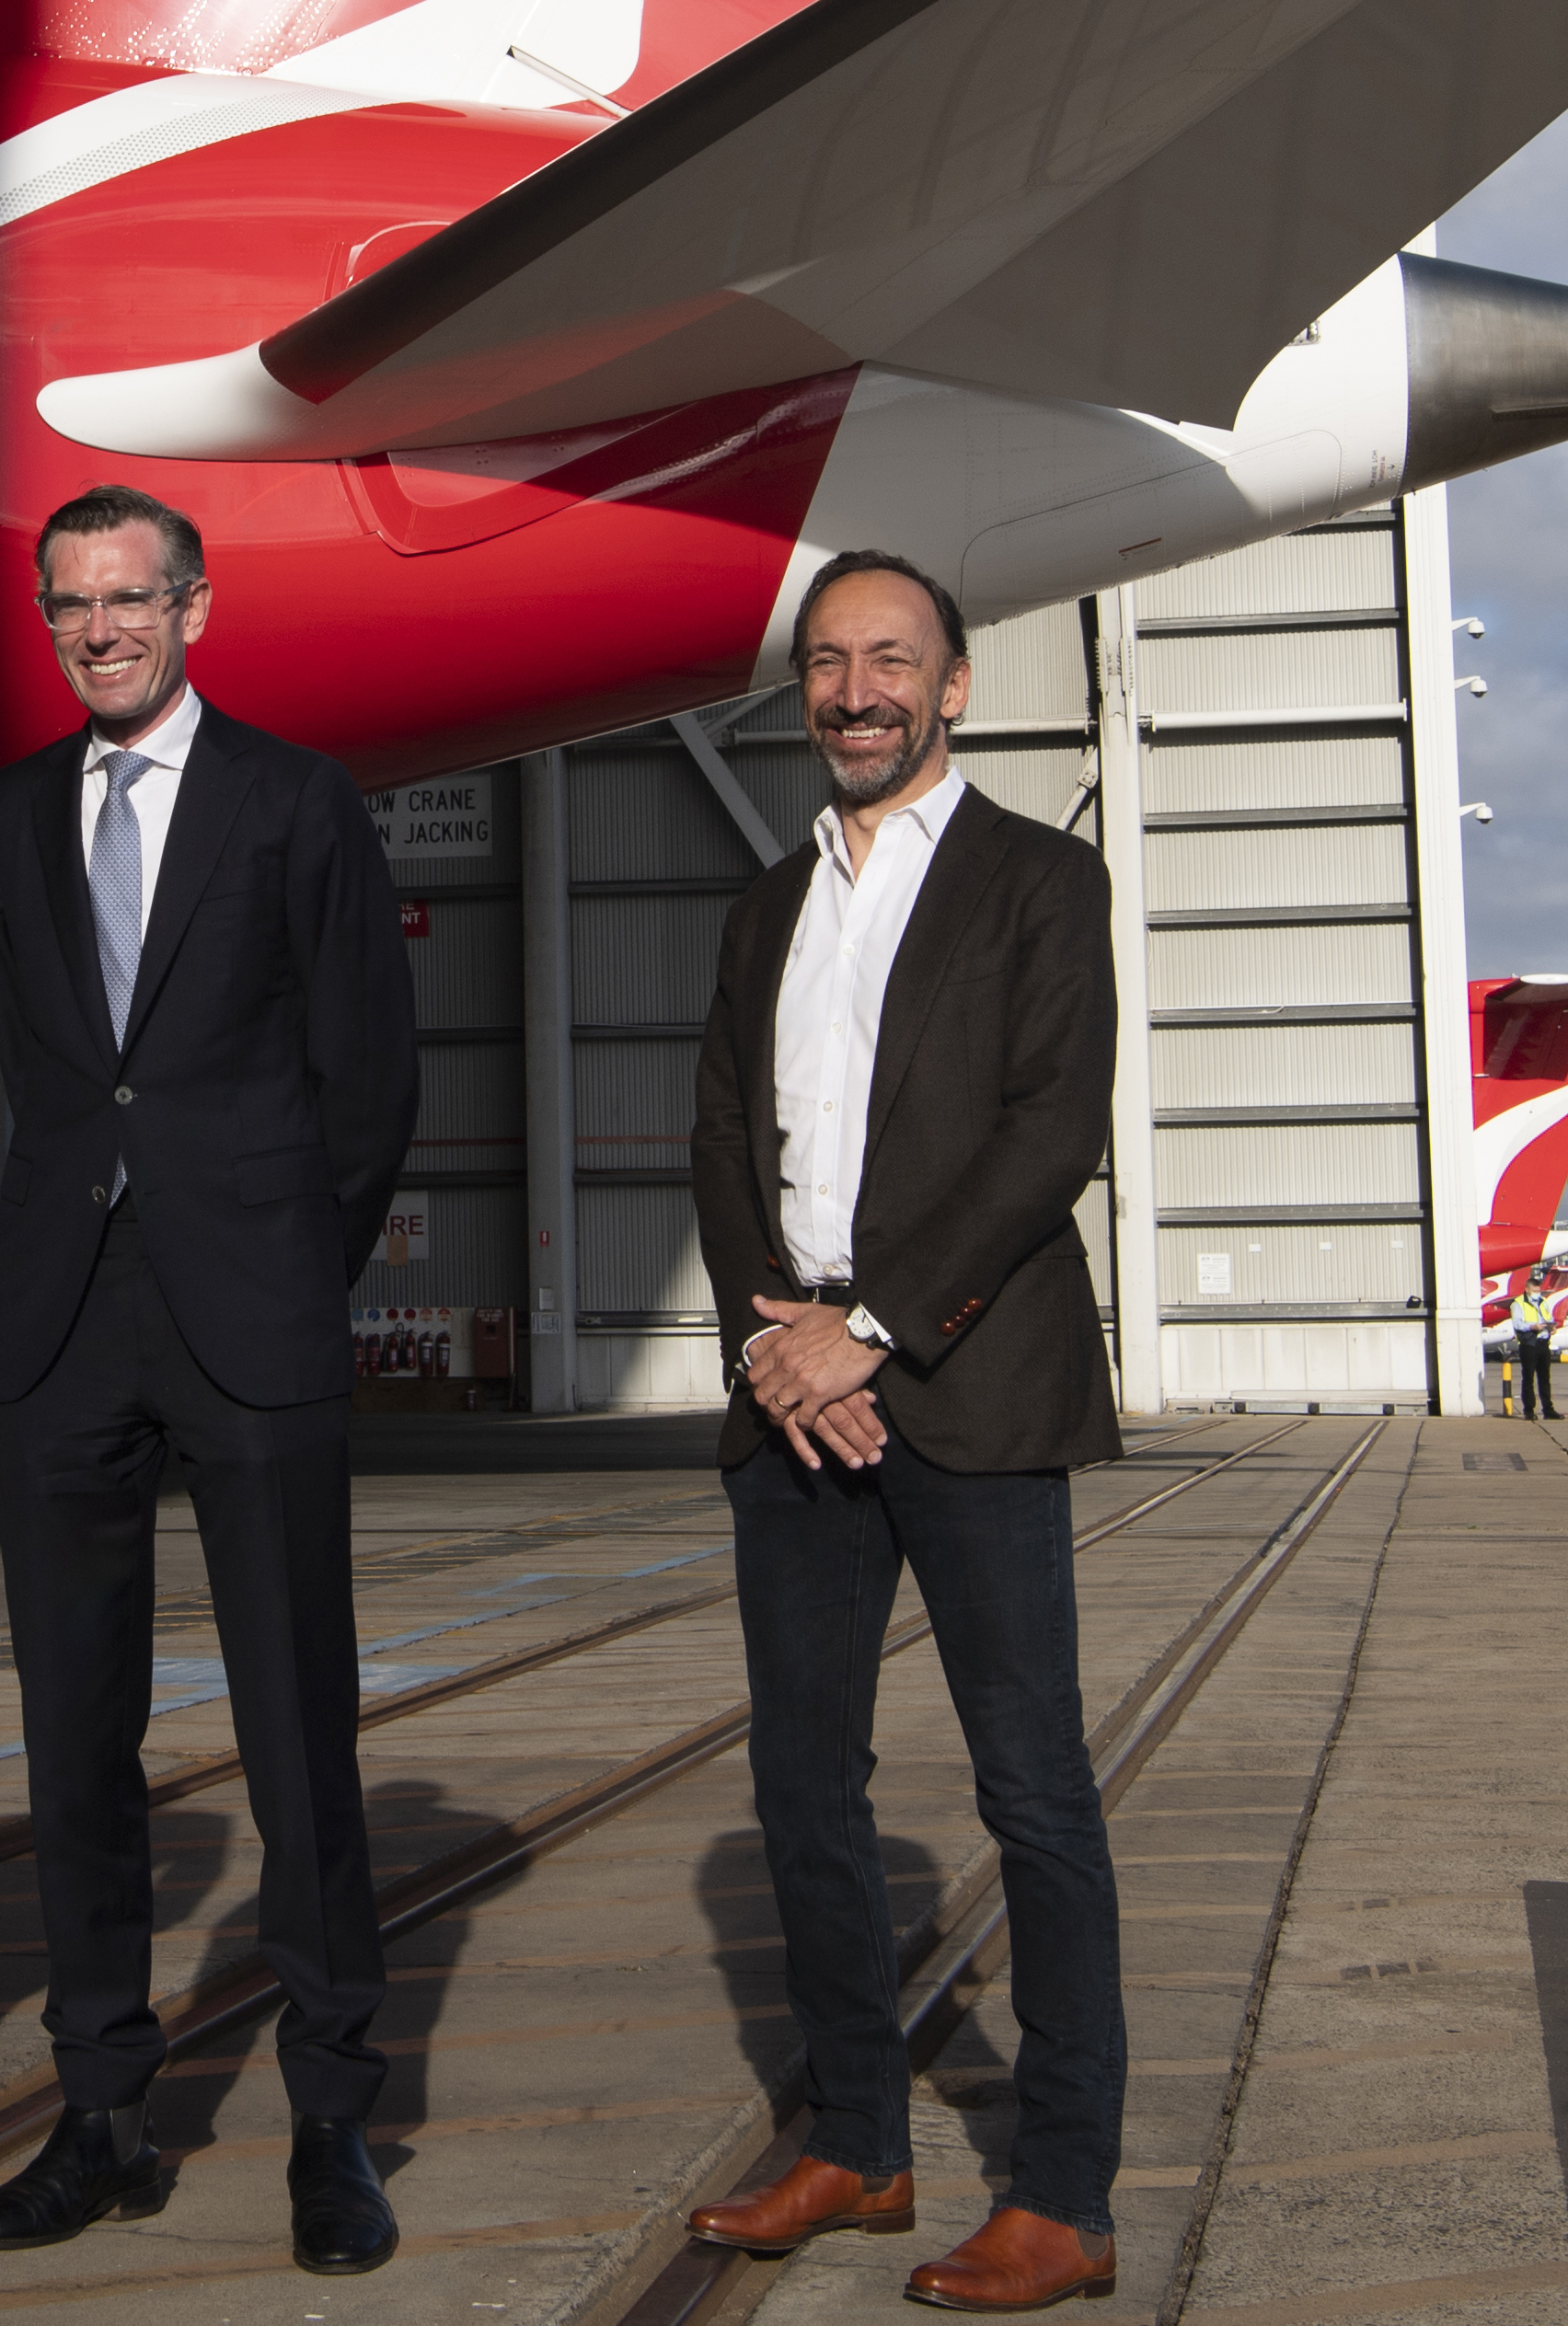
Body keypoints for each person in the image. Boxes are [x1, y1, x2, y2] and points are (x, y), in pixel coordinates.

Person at [0, 484, 419, 2278]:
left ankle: (329, 2120)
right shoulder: (6, 818)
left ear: (195, 607)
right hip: (65, 1319)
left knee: (298, 1736)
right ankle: (102, 2116)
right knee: (76, 1742)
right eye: (69, 605)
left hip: (253, 1317)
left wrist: (291, 1260)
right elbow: (51, 1069)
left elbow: (367, 1081)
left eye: (129, 600)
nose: (99, 630)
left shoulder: (297, 801)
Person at [675, 553, 1129, 2315]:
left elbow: (1047, 1134)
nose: (856, 691)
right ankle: (859, 2140)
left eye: (892, 662)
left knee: (1034, 1795)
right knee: (804, 1786)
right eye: (829, 664)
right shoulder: (762, 903)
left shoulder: (1042, 881)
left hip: (970, 1387)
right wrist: (775, 1343)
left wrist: (863, 1334)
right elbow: (721, 1140)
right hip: (793, 1402)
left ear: (957, 686)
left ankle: (1067, 2195)